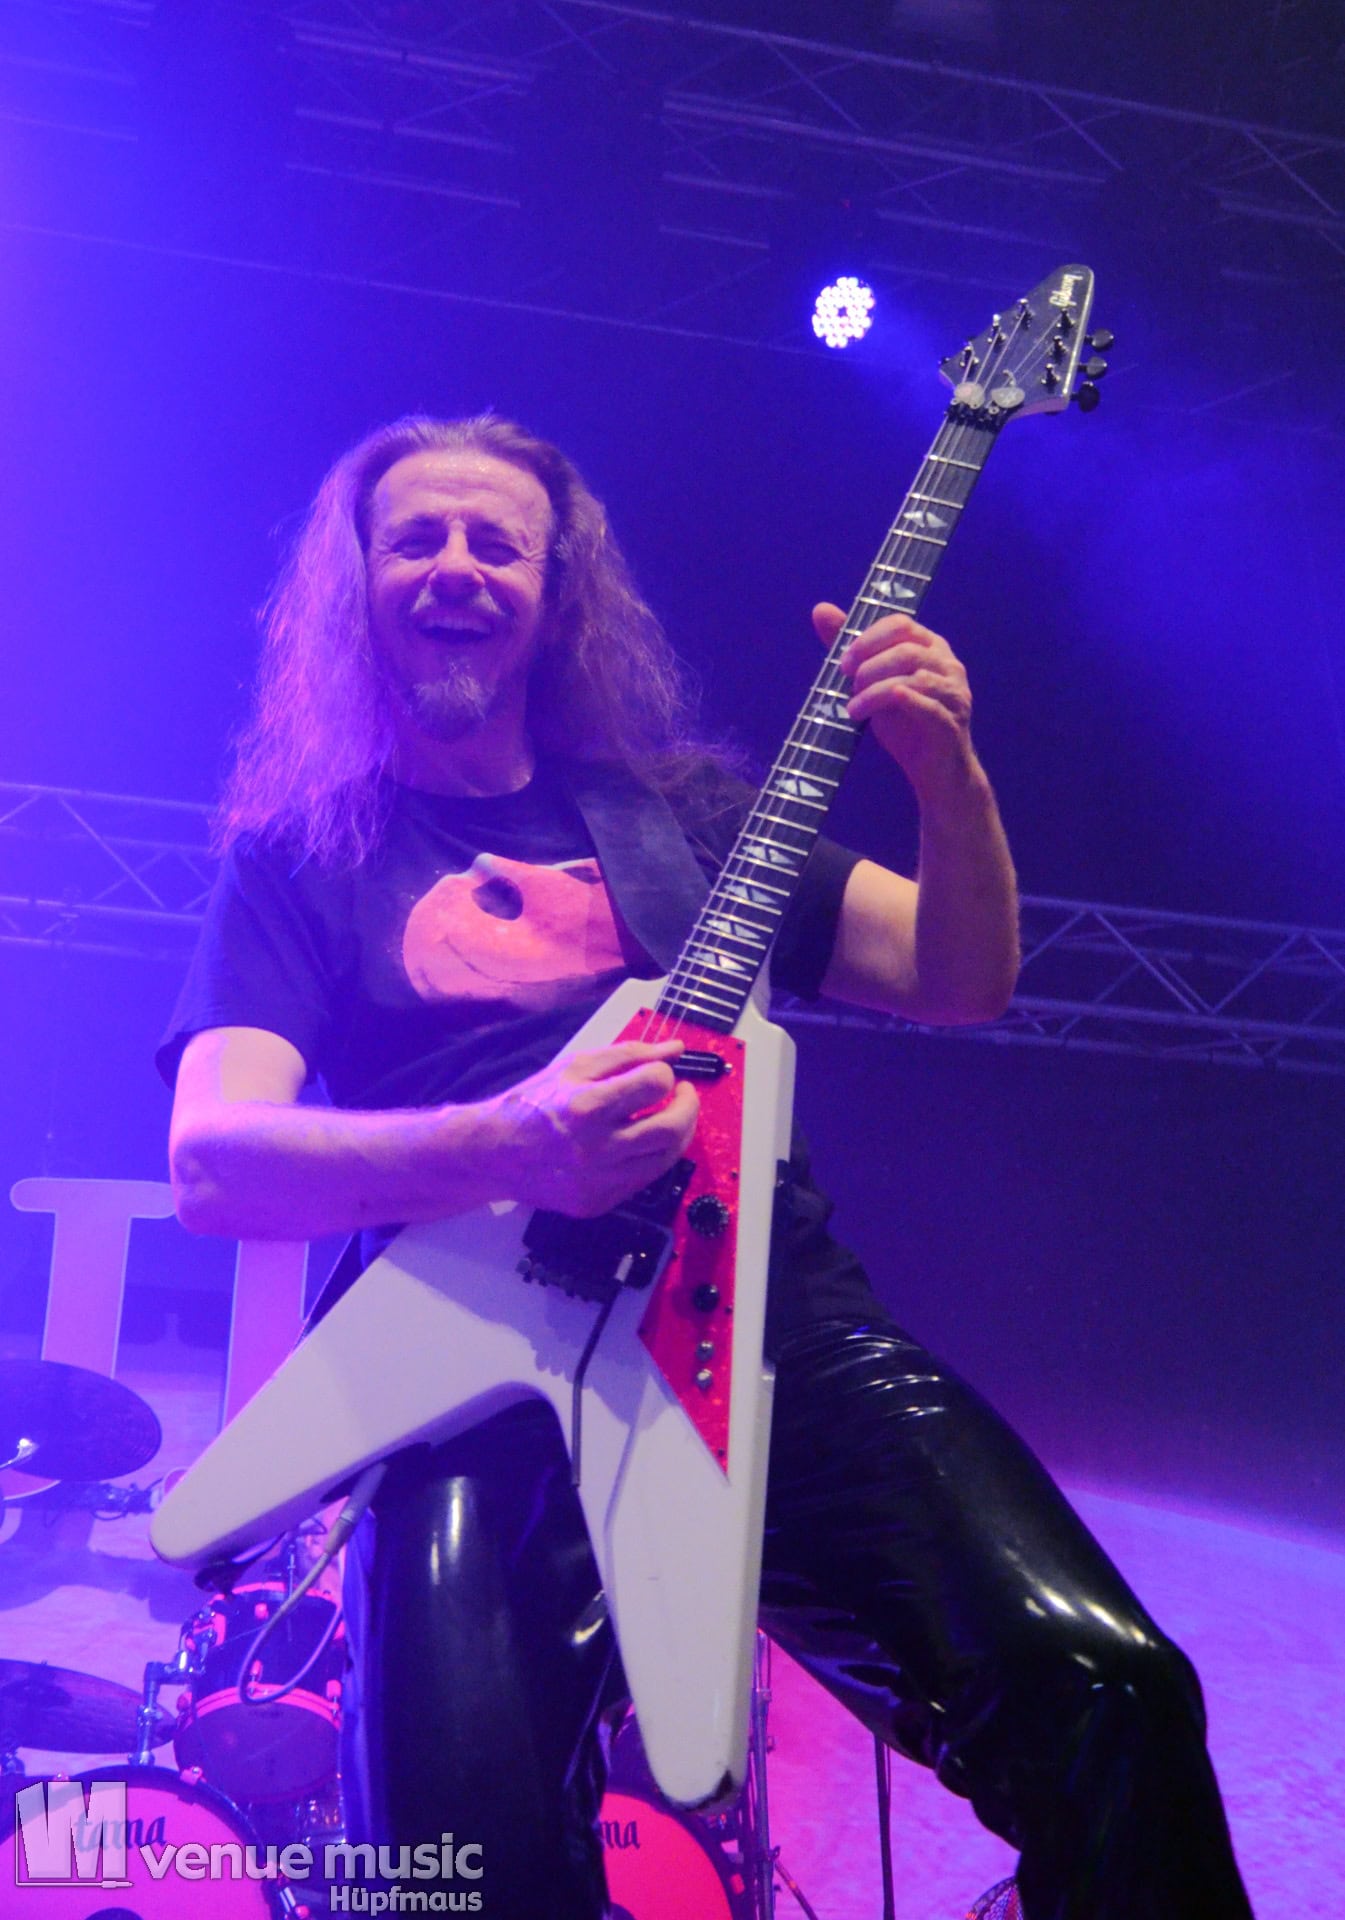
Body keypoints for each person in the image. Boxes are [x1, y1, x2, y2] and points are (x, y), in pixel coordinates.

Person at [159, 414, 1253, 1919]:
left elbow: (957, 978)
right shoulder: (301, 858)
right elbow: (216, 1163)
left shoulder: (684, 817)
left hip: (768, 1325)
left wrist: (947, 774)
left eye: (498, 543)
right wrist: (510, 1140)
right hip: (461, 1377)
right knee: (460, 1857)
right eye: (415, 538)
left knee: (1110, 1690)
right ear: (357, 586)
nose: (456, 567)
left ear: (556, 594)